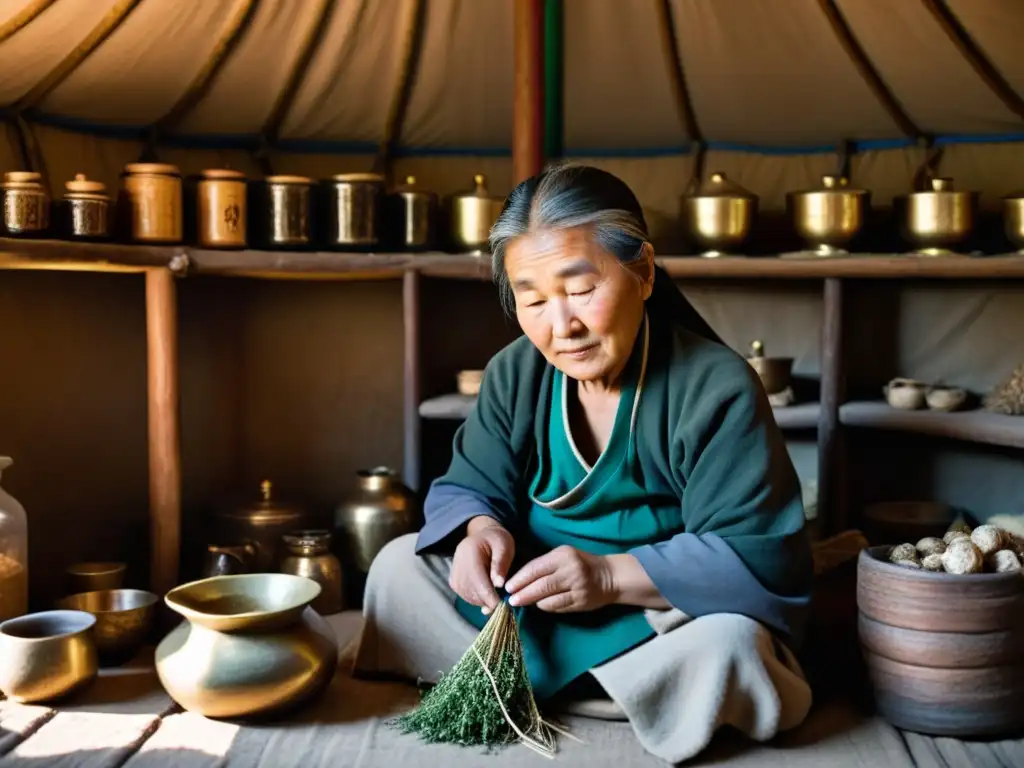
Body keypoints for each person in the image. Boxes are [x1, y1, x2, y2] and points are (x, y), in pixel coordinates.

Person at [354, 164, 814, 764]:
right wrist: (480, 532)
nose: (561, 326)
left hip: (648, 614)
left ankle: (537, 685)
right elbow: (470, 484)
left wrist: (605, 577)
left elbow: (754, 554)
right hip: (527, 607)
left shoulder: (717, 387)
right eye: (535, 298)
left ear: (643, 271)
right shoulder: (515, 372)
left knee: (733, 644)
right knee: (396, 568)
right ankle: (615, 695)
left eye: (580, 290)